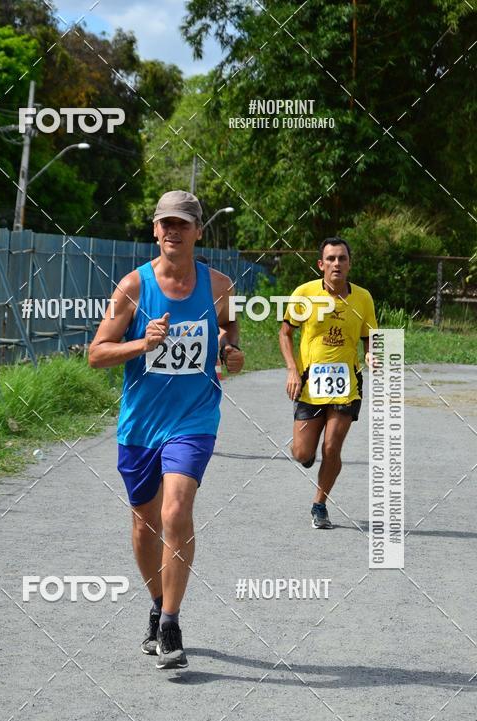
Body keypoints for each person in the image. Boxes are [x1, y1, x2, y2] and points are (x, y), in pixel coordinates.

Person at [89, 190, 244, 668]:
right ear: (155, 231)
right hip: (140, 424)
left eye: (183, 223)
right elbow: (96, 353)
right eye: (165, 224)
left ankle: (172, 625)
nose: (173, 231)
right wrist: (141, 342)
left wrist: (231, 353)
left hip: (194, 419)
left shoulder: (220, 286)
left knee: (176, 511)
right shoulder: (132, 288)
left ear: (198, 231)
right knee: (144, 524)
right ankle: (157, 604)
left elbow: (230, 333)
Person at [279, 236, 377, 529]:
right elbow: (286, 333)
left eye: (342, 258)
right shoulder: (304, 293)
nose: (337, 264)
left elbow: (370, 338)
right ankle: (307, 456)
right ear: (321, 264)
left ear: (349, 263)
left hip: (346, 385)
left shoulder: (363, 298)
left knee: (331, 448)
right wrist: (292, 370)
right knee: (302, 453)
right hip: (310, 384)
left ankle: (319, 504)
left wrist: (372, 355)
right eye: (331, 259)